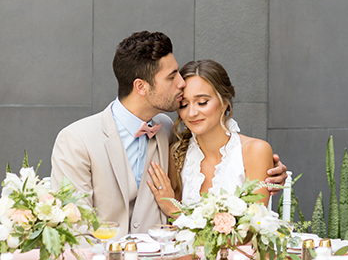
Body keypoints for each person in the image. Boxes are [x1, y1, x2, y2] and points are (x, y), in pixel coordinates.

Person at [51, 31, 287, 237]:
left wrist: (272, 174)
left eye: (202, 101)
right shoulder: (76, 140)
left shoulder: (165, 131)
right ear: (141, 86)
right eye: (172, 76)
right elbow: (75, 226)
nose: (181, 83)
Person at [147, 59, 273, 218]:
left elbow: (251, 228)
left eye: (202, 102)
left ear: (224, 103)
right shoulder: (177, 154)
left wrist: (175, 212)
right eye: (184, 105)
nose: (192, 113)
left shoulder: (255, 152)